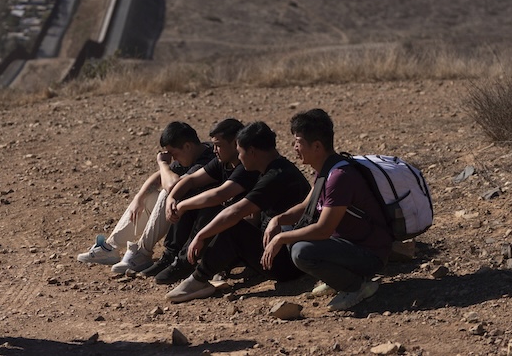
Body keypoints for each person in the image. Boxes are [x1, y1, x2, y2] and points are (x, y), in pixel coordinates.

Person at [260, 108, 393, 311]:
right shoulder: (325, 169)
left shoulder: (339, 176)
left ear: (317, 146)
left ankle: (357, 287)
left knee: (300, 251)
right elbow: (305, 207)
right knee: (287, 230)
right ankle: (338, 279)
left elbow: (323, 229)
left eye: (298, 142)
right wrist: (277, 221)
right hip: (346, 245)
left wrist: (280, 239)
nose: (294, 147)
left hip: (369, 254)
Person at [165, 121, 310, 303]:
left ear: (252, 152)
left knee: (232, 227)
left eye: (240, 152)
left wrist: (201, 236)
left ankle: (199, 280)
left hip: (287, 264)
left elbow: (236, 211)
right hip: (276, 250)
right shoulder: (274, 169)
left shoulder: (277, 176)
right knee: (233, 224)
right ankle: (211, 269)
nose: (239, 158)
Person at [77, 121, 215, 274]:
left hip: (197, 220)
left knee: (166, 193)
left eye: (174, 154)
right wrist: (139, 198)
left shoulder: (207, 158)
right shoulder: (189, 155)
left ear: (187, 146)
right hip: (180, 216)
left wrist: (163, 165)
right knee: (148, 197)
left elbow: (174, 187)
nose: (174, 159)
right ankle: (110, 248)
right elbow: (157, 178)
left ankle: (142, 253)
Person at [145, 118, 261, 284]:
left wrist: (182, 205)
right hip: (231, 225)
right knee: (190, 195)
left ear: (235, 143)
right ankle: (171, 255)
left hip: (247, 231)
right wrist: (173, 197)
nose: (214, 150)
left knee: (209, 206)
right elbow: (191, 180)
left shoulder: (246, 166)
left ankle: (186, 262)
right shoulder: (223, 161)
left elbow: (219, 195)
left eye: (218, 145)